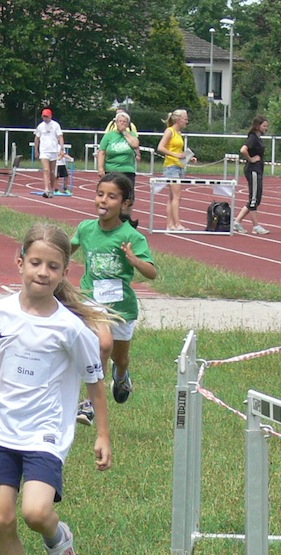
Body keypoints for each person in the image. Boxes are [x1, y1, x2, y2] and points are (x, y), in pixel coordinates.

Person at [0, 222, 113, 555]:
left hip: (45, 434)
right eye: (35, 263)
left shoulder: (70, 328)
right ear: (20, 263)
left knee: (35, 511)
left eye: (53, 266)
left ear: (64, 273)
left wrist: (102, 435)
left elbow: (96, 382)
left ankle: (58, 538)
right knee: (0, 519)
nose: (43, 272)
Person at [72, 171, 155, 419]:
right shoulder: (86, 229)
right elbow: (65, 249)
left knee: (121, 358)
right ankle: (89, 403)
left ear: (125, 203)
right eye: (100, 194)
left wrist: (134, 260)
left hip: (121, 307)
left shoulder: (131, 236)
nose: (103, 201)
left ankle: (121, 376)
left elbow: (151, 272)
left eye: (112, 197)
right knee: (103, 344)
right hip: (92, 300)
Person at [155, 108, 191, 230]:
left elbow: (178, 150)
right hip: (171, 167)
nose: (187, 121)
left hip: (179, 166)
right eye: (185, 119)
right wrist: (175, 155)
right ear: (178, 119)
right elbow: (160, 147)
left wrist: (187, 157)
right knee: (177, 196)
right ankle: (177, 224)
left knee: (172, 197)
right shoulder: (169, 131)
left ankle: (170, 224)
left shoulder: (178, 133)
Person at [237, 116, 267, 235]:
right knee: (254, 199)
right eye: (264, 126)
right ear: (258, 125)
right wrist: (251, 159)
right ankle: (256, 226)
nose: (266, 128)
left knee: (256, 199)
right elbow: (243, 150)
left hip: (258, 170)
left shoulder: (258, 138)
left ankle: (237, 222)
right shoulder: (253, 137)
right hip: (253, 170)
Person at [99, 110, 139, 192]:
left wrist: (125, 133)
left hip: (127, 170)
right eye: (120, 121)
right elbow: (102, 152)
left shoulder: (131, 135)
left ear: (128, 124)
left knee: (127, 194)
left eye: (124, 122)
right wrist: (100, 168)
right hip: (111, 170)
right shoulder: (109, 136)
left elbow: (135, 145)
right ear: (116, 123)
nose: (122, 123)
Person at [34, 107, 62, 197]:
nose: (45, 118)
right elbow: (37, 138)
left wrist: (62, 148)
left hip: (53, 151)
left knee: (52, 172)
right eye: (44, 116)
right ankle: (46, 189)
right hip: (44, 151)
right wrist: (36, 150)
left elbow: (60, 136)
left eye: (47, 116)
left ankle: (52, 188)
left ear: (50, 116)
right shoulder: (40, 126)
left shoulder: (55, 125)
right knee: (46, 170)